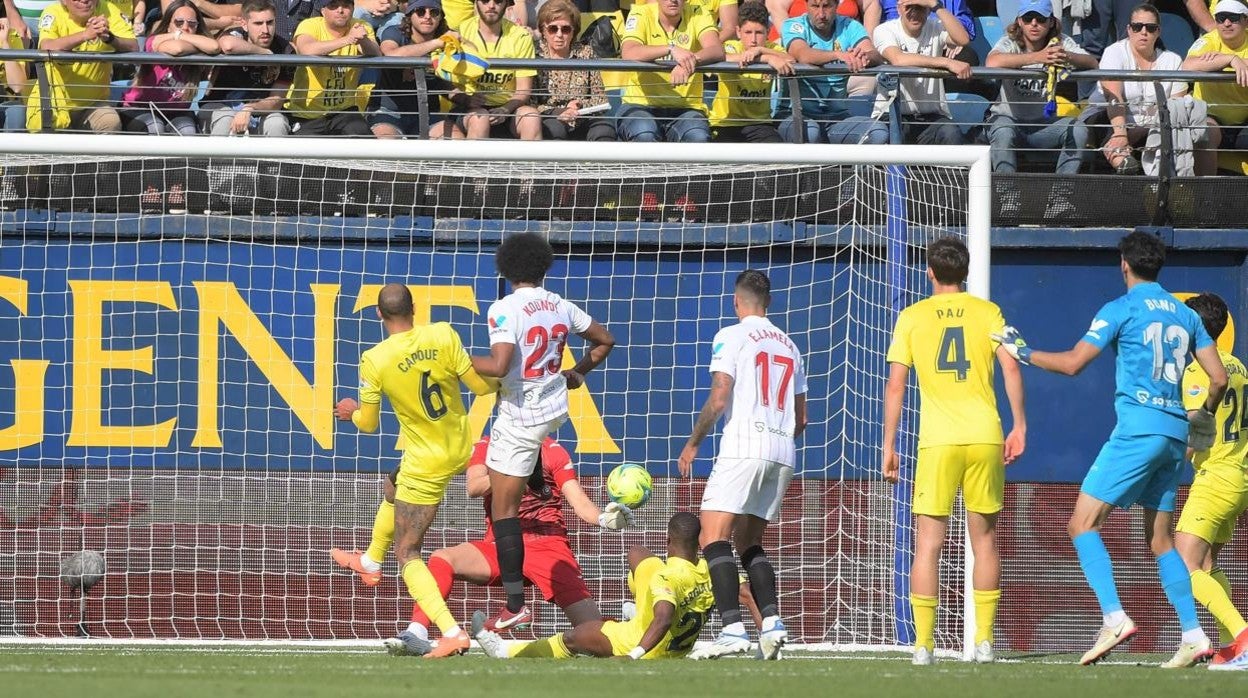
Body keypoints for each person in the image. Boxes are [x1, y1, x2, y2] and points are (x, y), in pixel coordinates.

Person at [992, 230, 1228, 668]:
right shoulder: (1184, 313)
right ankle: (1194, 634)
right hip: (1176, 434)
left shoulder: (1121, 309)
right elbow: (1218, 379)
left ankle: (1114, 617)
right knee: (1161, 542)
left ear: (1124, 264)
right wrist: (1205, 415)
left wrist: (1021, 352)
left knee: (1081, 524)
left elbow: (1072, 363)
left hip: (1138, 430)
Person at [881, 238, 1027, 666]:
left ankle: (923, 646)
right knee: (984, 540)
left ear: (930, 272)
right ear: (964, 272)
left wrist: (888, 445)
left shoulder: (911, 316)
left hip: (938, 442)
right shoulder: (988, 311)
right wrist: (1019, 425)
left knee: (928, 544)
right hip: (984, 436)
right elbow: (1013, 364)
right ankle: (983, 643)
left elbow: (896, 385)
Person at [332, 283, 495, 658]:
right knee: (392, 486)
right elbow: (478, 387)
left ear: (378, 315)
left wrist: (349, 412)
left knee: (408, 553)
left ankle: (452, 632)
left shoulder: (375, 359)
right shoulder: (443, 333)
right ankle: (370, 561)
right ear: (415, 308)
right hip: (460, 447)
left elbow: (369, 423)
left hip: (427, 462)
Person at [353, 436, 630, 655]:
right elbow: (473, 487)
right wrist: (515, 473)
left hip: (547, 546)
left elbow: (579, 502)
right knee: (443, 558)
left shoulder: (553, 450)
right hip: (501, 543)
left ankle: (635, 628)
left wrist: (605, 518)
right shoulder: (488, 445)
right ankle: (417, 632)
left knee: (595, 633)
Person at [471, 232, 616, 633]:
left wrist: (458, 359)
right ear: (543, 267)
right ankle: (535, 471)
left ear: (505, 267)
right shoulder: (559, 305)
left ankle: (515, 603)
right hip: (555, 409)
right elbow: (605, 340)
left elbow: (500, 366)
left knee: (504, 510)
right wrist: (577, 373)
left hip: (521, 417)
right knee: (517, 473)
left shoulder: (503, 309)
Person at [677, 269, 807, 661]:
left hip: (743, 445)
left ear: (738, 301)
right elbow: (802, 419)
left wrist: (693, 443)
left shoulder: (730, 336)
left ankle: (732, 627)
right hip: (783, 450)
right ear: (768, 302)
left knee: (712, 537)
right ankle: (771, 623)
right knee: (749, 542)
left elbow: (719, 398)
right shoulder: (790, 345)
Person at [475, 512, 715, 660]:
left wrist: (633, 656)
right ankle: (641, 608)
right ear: (699, 542)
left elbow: (662, 619)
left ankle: (505, 652)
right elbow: (745, 593)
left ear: (668, 540)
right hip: (679, 624)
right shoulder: (714, 571)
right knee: (638, 554)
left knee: (575, 637)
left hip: (640, 642)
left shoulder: (667, 578)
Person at [1175, 293, 1248, 670]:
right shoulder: (1237, 366)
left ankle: (1242, 635)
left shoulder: (1196, 370)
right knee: (1205, 565)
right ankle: (1231, 649)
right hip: (1238, 477)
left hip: (1215, 477)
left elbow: (1193, 429)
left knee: (1183, 565)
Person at [984, 0, 1097, 175]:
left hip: (1042, 126)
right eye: (1028, 18)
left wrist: (1066, 56)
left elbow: (1092, 62)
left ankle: (1060, 198)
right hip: (1007, 120)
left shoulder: (1059, 41)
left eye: (1040, 19)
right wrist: (1039, 57)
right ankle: (1008, 200)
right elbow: (992, 62)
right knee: (1003, 131)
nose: (1034, 24)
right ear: (1020, 21)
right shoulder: (1010, 41)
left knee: (1078, 129)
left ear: (1051, 22)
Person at [1084, 3, 1189, 175]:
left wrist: (1144, 130)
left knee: (1174, 144)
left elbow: (1175, 106)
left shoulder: (1173, 60)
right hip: (1113, 119)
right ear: (1129, 29)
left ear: (1158, 31)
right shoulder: (1114, 52)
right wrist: (1122, 134)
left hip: (1156, 127)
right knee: (1124, 161)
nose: (1143, 32)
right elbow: (1113, 96)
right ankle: (1127, 173)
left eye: (1150, 27)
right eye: (1137, 27)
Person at [778, 0, 885, 144]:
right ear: (806, 5)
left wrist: (863, 56)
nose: (821, 14)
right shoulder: (793, 25)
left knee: (878, 132)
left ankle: (854, 167)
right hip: (796, 115)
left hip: (837, 118)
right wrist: (837, 55)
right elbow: (803, 54)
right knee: (810, 132)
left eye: (827, 6)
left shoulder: (849, 26)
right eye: (815, 6)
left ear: (837, 5)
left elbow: (875, 54)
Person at [616, 0, 724, 142]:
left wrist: (687, 61)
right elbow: (629, 52)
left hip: (686, 109)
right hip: (640, 105)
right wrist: (671, 48)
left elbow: (716, 50)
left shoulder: (699, 11)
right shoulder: (640, 12)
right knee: (645, 132)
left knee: (698, 137)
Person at [25, 0, 138, 132]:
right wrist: (85, 35)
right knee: (45, 131)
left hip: (93, 105)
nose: (84, 1)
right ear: (64, 2)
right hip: (56, 102)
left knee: (110, 122)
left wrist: (110, 38)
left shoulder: (110, 10)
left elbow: (134, 47)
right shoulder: (53, 12)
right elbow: (46, 46)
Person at [866, 0, 968, 145]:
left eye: (920, 8)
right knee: (884, 139)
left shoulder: (936, 26)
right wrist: (946, 62)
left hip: (931, 117)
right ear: (899, 9)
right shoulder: (884, 29)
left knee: (952, 134)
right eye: (909, 8)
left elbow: (963, 39)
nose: (914, 14)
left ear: (927, 10)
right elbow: (898, 59)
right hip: (892, 115)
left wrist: (936, 5)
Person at [121, 0, 219, 136]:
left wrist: (183, 37)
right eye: (179, 23)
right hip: (138, 108)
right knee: (155, 128)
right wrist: (188, 39)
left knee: (188, 131)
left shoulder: (195, 45)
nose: (185, 27)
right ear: (168, 25)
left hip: (176, 112)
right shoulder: (154, 40)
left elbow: (214, 46)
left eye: (192, 24)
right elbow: (177, 49)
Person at [287, 0, 381, 136]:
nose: (340, 10)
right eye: (333, 6)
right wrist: (348, 39)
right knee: (304, 153)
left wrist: (363, 39)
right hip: (306, 114)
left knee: (360, 134)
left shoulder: (360, 26)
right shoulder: (309, 25)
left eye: (346, 6)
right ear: (323, 10)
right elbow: (306, 49)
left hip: (344, 112)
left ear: (353, 8)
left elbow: (376, 54)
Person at [202, 0, 294, 137]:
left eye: (270, 22)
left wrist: (249, 108)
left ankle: (272, 160)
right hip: (219, 105)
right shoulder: (236, 34)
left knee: (277, 123)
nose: (265, 30)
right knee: (226, 119)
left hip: (259, 110)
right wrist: (265, 53)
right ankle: (215, 159)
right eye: (258, 23)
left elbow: (276, 101)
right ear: (244, 25)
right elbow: (228, 45)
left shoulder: (285, 50)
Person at [452, 0, 541, 140]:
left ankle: (531, 163)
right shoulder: (461, 32)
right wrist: (465, 99)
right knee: (480, 119)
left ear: (507, 4)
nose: (491, 5)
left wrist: (505, 109)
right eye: (485, 0)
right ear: (476, 2)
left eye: (498, 1)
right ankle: (473, 163)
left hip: (509, 108)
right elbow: (447, 83)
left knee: (531, 117)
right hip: (470, 109)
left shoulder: (520, 36)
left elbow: (523, 90)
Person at [371, 0, 460, 138]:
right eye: (420, 11)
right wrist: (437, 43)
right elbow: (390, 54)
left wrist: (469, 99)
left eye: (434, 12)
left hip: (429, 112)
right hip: (388, 112)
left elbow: (446, 86)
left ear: (441, 17)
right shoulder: (394, 31)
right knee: (386, 145)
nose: (427, 16)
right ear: (409, 15)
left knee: (457, 140)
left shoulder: (447, 40)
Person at [710, 0, 793, 143]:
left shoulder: (771, 48)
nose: (753, 40)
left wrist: (761, 51)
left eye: (759, 33)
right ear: (738, 32)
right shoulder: (731, 46)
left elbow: (792, 60)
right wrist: (766, 59)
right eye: (748, 32)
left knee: (779, 155)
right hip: (724, 123)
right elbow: (720, 57)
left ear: (768, 32)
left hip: (760, 124)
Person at [1181, 1, 1248, 176]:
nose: (1226, 23)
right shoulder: (1208, 40)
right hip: (1211, 116)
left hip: (1244, 119)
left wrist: (1216, 61)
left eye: (1233, 18)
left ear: (1245, 20)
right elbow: (1187, 66)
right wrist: (1231, 59)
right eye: (1220, 18)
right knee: (1205, 134)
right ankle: (1206, 197)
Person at [532, 0, 613, 141]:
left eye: (565, 29)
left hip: (583, 117)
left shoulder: (585, 53)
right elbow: (530, 104)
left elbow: (601, 99)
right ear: (543, 31)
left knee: (605, 129)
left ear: (573, 31)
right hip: (551, 117)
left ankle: (604, 164)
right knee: (554, 128)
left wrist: (579, 106)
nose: (559, 34)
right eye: (553, 29)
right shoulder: (535, 55)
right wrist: (560, 111)